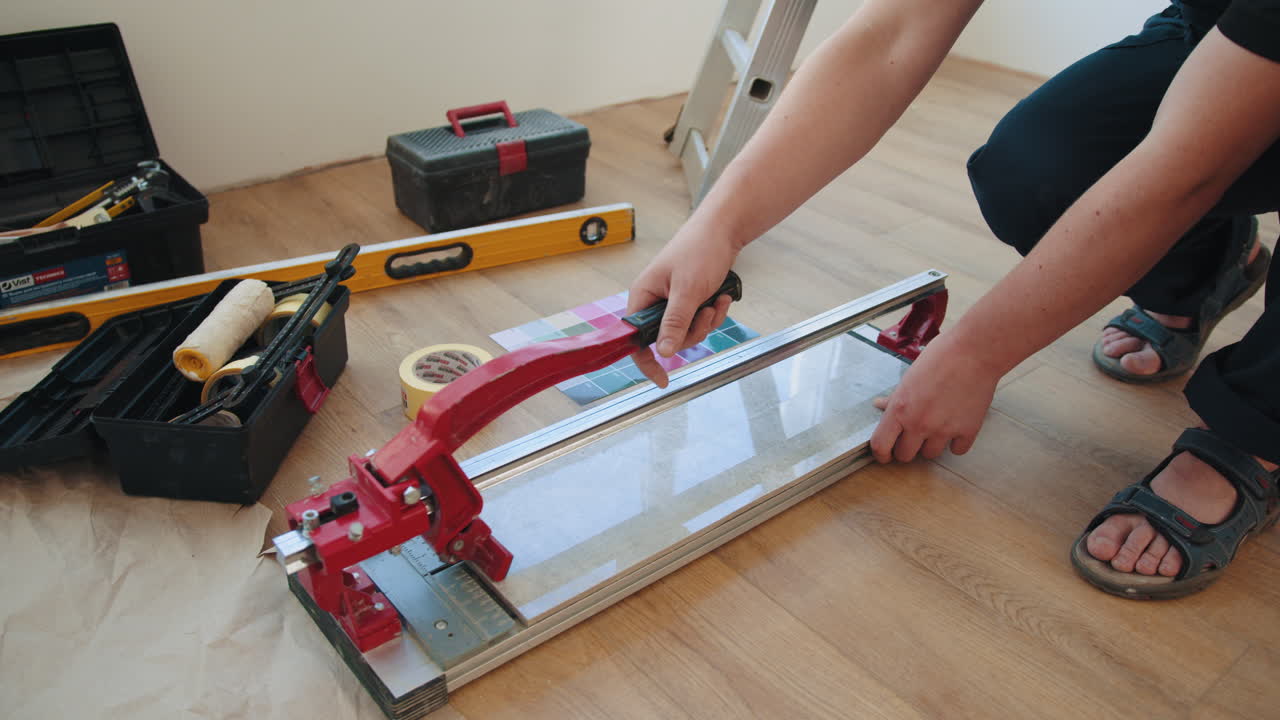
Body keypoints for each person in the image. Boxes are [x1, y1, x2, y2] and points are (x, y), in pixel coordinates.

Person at [627, 0, 1280, 599]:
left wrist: (976, 353)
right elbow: (891, 35)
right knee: (1038, 173)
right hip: (1223, 31)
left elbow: (1188, 169)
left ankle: (1257, 427)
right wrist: (719, 224)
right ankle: (1206, 270)